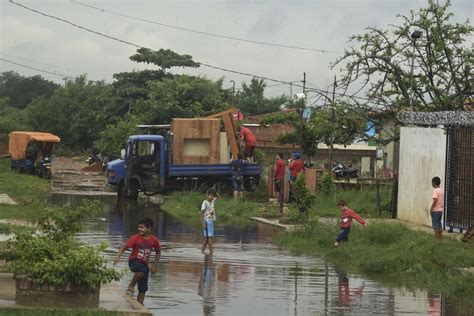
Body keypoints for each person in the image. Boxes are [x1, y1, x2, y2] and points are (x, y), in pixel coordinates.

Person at [114, 218, 161, 305]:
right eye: (139, 227)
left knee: (143, 288)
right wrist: (118, 256)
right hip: (133, 261)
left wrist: (155, 265)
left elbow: (158, 251)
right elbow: (124, 246)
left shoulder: (154, 240)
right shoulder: (135, 238)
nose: (139, 229)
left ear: (149, 229)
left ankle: (140, 305)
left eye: (142, 227)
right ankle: (131, 285)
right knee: (143, 270)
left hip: (145, 264)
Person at [200, 189, 217, 255]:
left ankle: (202, 251)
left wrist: (214, 191)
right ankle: (211, 251)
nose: (212, 197)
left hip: (211, 221)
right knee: (209, 237)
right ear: (207, 195)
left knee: (207, 238)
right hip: (207, 221)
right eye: (210, 195)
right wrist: (203, 222)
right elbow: (202, 213)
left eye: (213, 196)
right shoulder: (205, 202)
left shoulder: (212, 201)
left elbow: (219, 197)